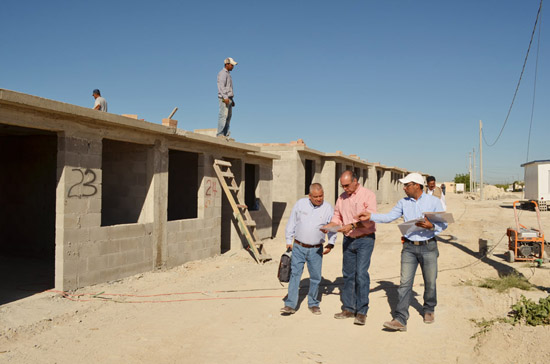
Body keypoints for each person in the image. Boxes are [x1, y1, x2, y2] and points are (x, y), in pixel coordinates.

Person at [355, 172, 447, 332]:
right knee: (404, 284)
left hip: (429, 246)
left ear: (417, 186)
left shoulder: (434, 202)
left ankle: (429, 309)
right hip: (409, 248)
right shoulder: (403, 203)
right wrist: (371, 216)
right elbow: (389, 217)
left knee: (430, 282)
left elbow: (443, 224)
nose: (404, 188)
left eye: (407, 185)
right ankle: (400, 318)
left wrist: (431, 226)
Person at [322, 170, 377, 326]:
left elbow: (370, 220)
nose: (345, 188)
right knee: (348, 274)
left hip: (365, 239)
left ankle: (361, 311)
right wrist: (330, 226)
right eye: (342, 186)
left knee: (361, 274)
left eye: (347, 185)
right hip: (348, 240)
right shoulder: (341, 198)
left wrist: (351, 225)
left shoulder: (368, 195)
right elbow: (337, 217)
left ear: (355, 181)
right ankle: (348, 308)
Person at [280, 183, 336, 315]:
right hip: (298, 246)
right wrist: (289, 240)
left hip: (316, 249)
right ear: (309, 196)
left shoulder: (328, 208)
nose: (319, 199)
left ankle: (313, 303)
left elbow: (333, 227)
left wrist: (331, 243)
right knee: (295, 274)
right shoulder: (300, 204)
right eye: (315, 196)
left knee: (316, 277)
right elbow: (292, 222)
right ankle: (290, 305)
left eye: (321, 196)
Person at [217, 57, 237, 138]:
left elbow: (228, 88)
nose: (233, 66)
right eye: (232, 65)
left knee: (228, 117)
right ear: (227, 64)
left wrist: (232, 100)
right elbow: (221, 86)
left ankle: (225, 134)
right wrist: (225, 97)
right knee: (223, 115)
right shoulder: (222, 73)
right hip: (225, 98)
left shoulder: (228, 74)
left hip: (229, 98)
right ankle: (220, 134)